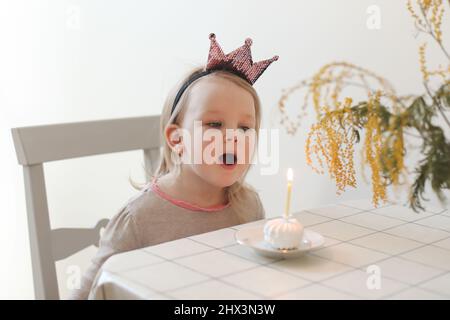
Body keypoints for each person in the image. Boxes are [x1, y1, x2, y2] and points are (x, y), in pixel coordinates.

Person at [69, 33, 278, 299]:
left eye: (245, 127)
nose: (233, 137)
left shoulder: (249, 207)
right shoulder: (139, 219)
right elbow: (93, 292)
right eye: (214, 124)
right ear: (177, 139)